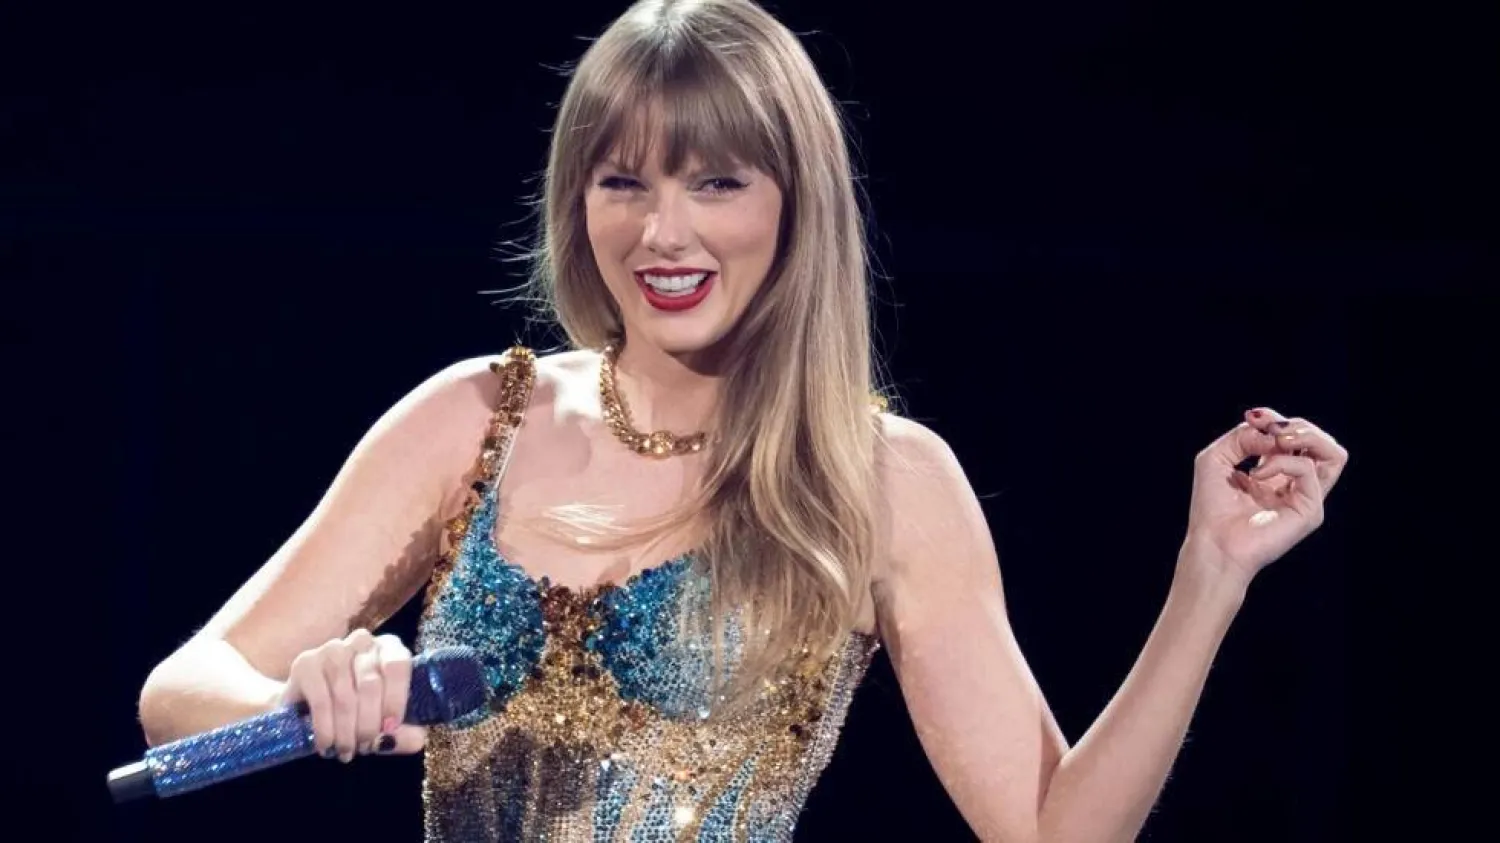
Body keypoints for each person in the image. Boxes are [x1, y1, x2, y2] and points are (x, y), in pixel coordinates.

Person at [135, 0, 1350, 840]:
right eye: (625, 181)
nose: (664, 233)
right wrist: (309, 697)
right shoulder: (474, 419)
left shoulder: (879, 481)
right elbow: (181, 692)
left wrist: (1211, 577)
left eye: (716, 181)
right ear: (579, 202)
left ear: (793, 202)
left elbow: (1050, 829)